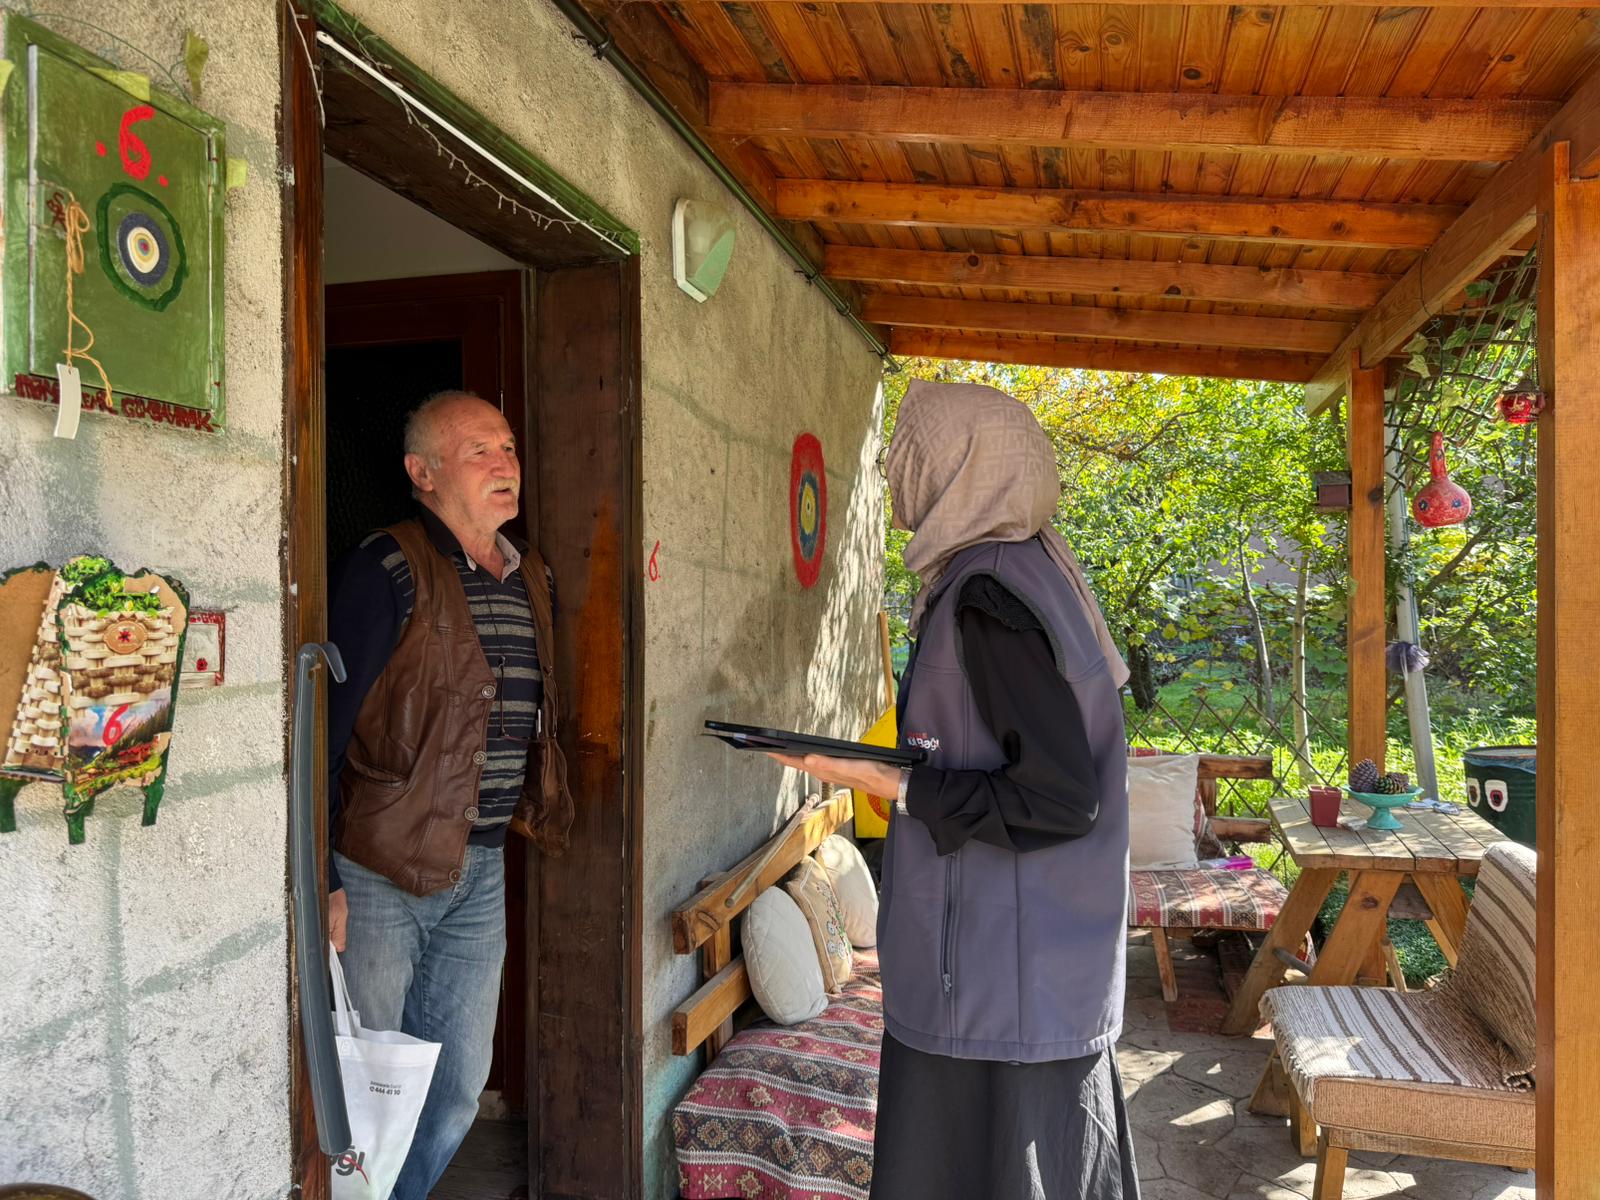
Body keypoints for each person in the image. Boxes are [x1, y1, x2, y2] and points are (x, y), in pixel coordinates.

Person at [770, 379, 1139, 1199]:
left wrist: (895, 784)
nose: (895, 474)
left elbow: (1059, 798)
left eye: (910, 455)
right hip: (1023, 970)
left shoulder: (990, 594)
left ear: (961, 468)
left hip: (994, 989)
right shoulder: (1029, 567)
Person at [325, 390, 573, 1200]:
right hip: (378, 872)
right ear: (422, 473)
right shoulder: (387, 567)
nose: (505, 464)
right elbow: (323, 727)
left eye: (508, 448)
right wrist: (318, 874)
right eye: (480, 452)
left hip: (481, 868)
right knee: (361, 1090)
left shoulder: (527, 570)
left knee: (458, 1086)